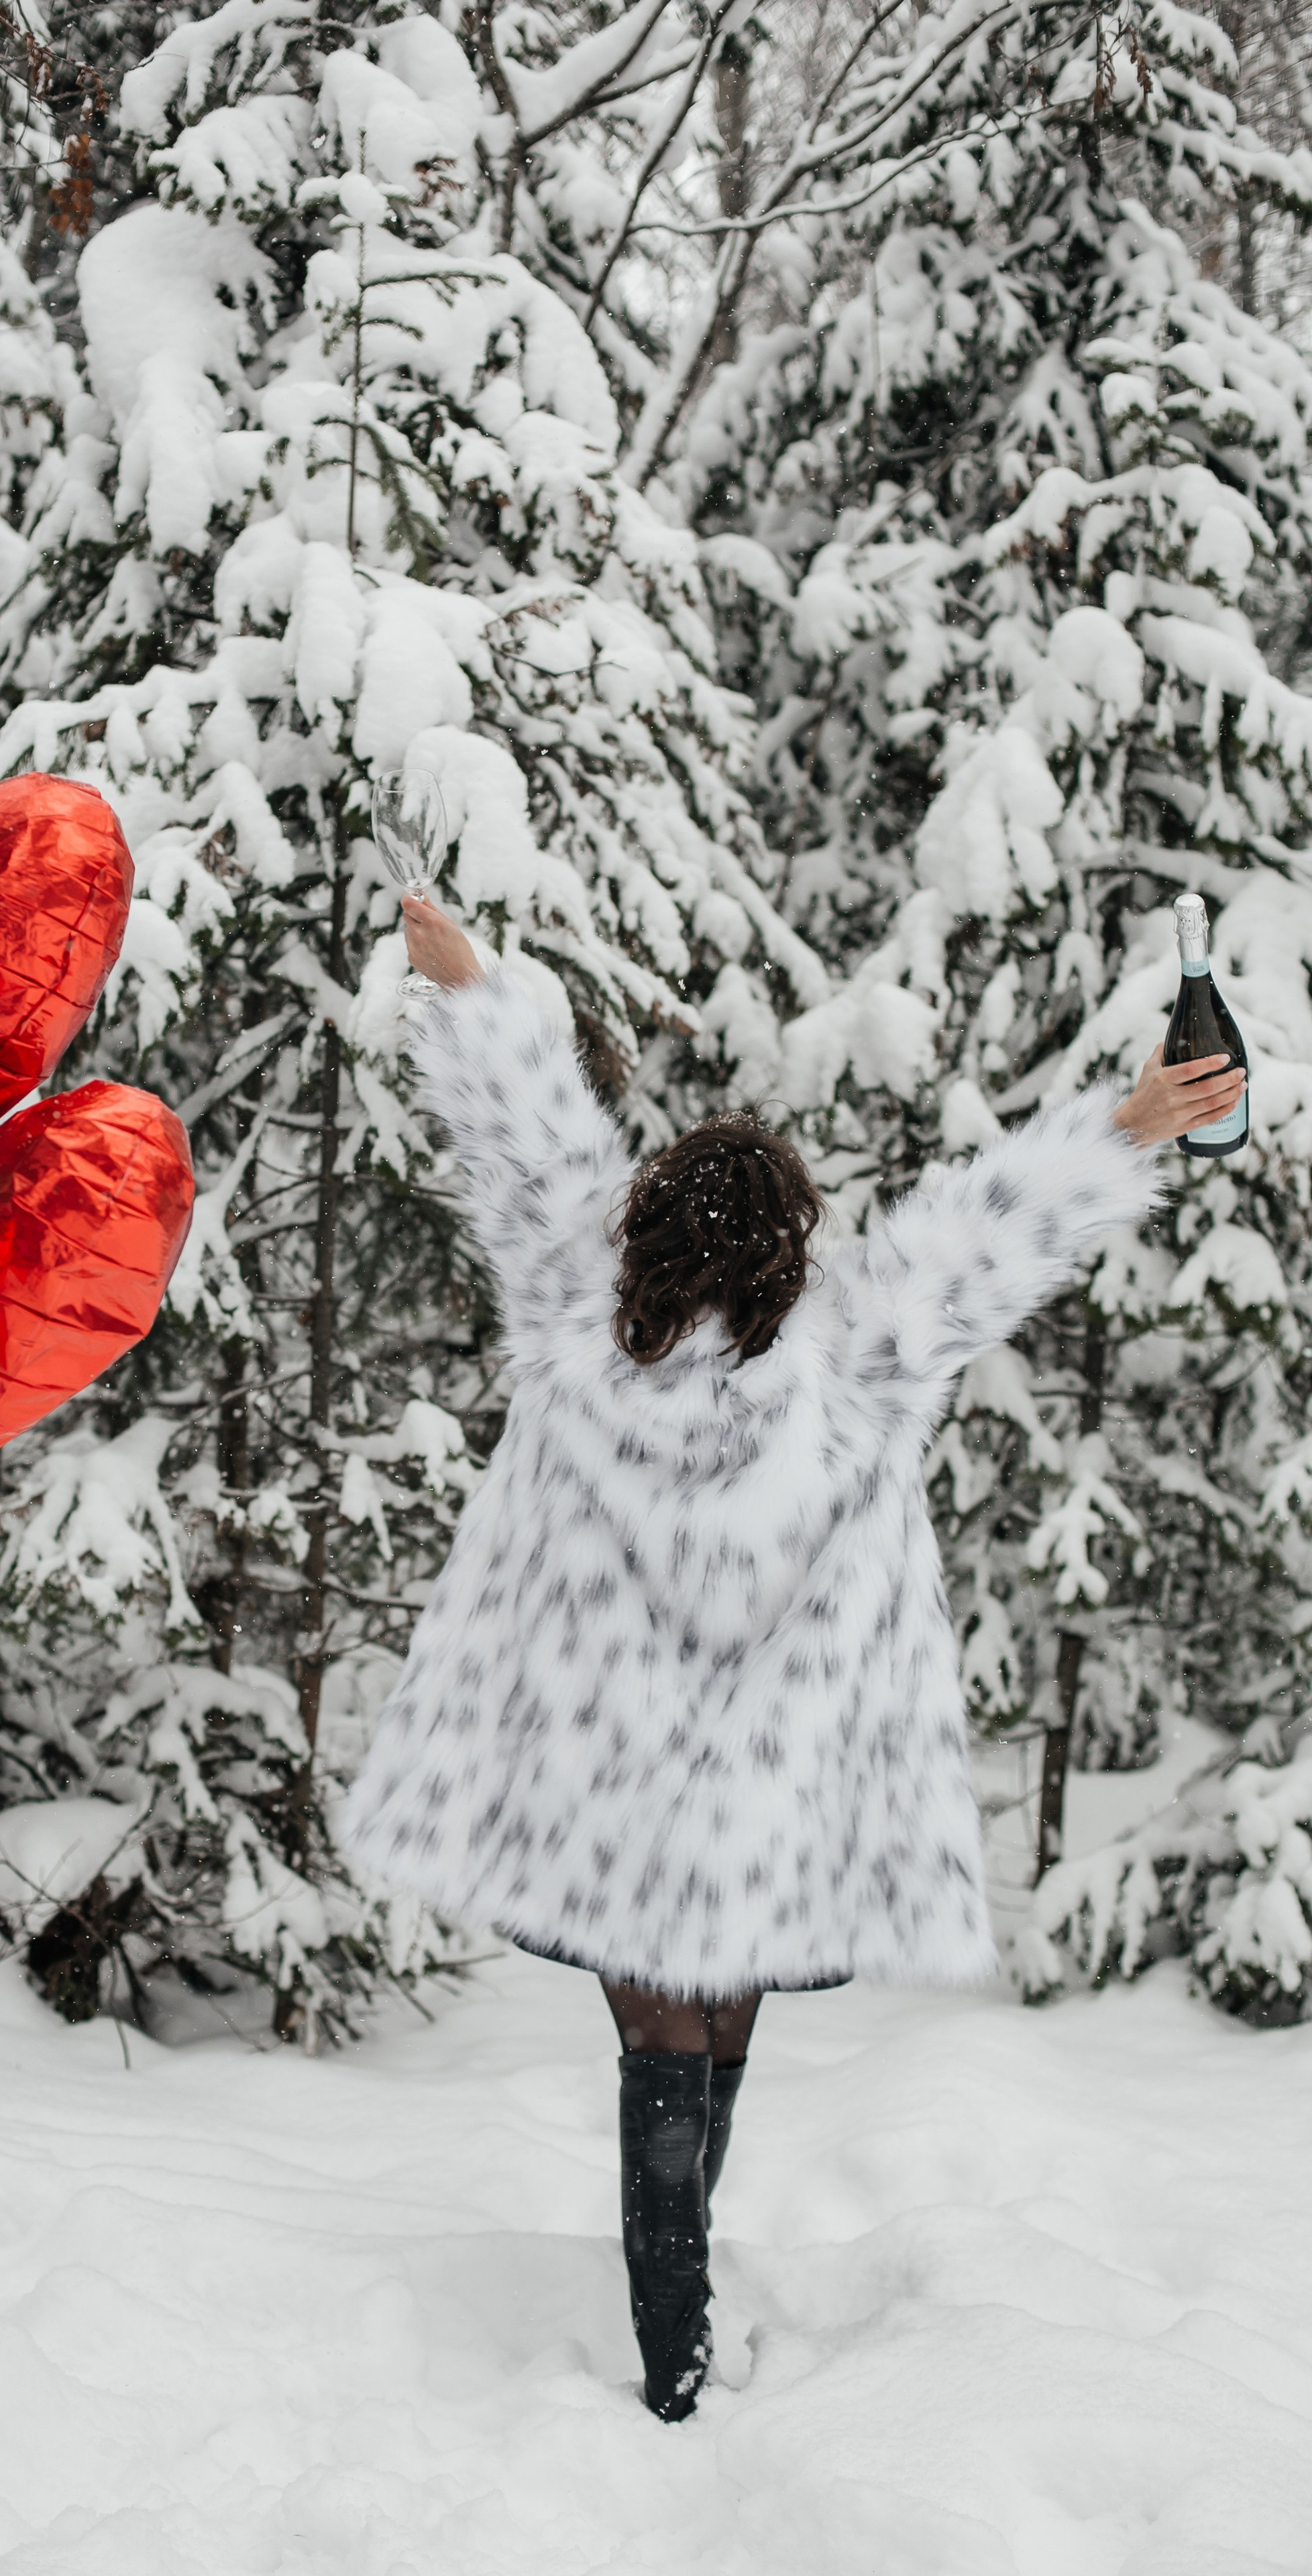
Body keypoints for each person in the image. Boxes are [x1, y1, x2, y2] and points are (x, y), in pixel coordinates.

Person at [337, 894, 1248, 2424]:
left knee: (650, 2048)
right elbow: (994, 1225)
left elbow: (529, 1142)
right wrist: (1138, 1119)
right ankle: (682, 2309)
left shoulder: (573, 1308)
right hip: (761, 1792)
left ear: (644, 1225)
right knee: (715, 2032)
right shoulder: (859, 1354)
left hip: (609, 1781)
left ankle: (671, 2338)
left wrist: (470, 984)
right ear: (788, 1250)